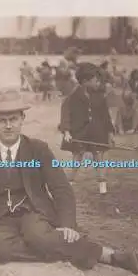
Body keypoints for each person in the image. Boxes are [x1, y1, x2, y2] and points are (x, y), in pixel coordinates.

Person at [0, 88, 138, 275]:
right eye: (2, 121)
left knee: (39, 238)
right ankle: (68, 249)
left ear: (22, 119)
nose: (8, 126)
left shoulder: (38, 149)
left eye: (13, 119)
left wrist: (68, 224)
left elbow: (61, 187)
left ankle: (109, 255)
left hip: (34, 212)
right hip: (0, 218)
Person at [59, 62, 115, 194]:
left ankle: (102, 185)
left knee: (99, 156)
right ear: (85, 81)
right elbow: (65, 114)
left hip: (98, 132)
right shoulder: (72, 97)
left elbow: (106, 116)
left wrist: (110, 133)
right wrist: (66, 131)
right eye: (96, 80)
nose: (98, 83)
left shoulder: (100, 96)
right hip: (79, 132)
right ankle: (70, 183)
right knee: (77, 157)